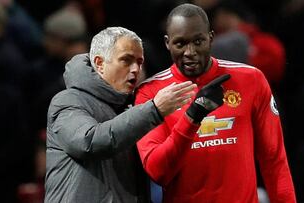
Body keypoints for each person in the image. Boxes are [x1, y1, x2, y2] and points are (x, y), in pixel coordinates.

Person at [135, 3, 296, 203]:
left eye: (198, 41)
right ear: (167, 43)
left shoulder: (251, 80)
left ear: (211, 38)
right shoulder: (150, 92)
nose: (189, 52)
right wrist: (192, 118)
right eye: (180, 44)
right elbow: (158, 172)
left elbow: (274, 160)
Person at [44, 26, 197, 203]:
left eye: (139, 62)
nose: (135, 69)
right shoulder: (68, 101)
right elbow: (89, 141)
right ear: (100, 63)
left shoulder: (134, 108)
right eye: (126, 60)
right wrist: (154, 110)